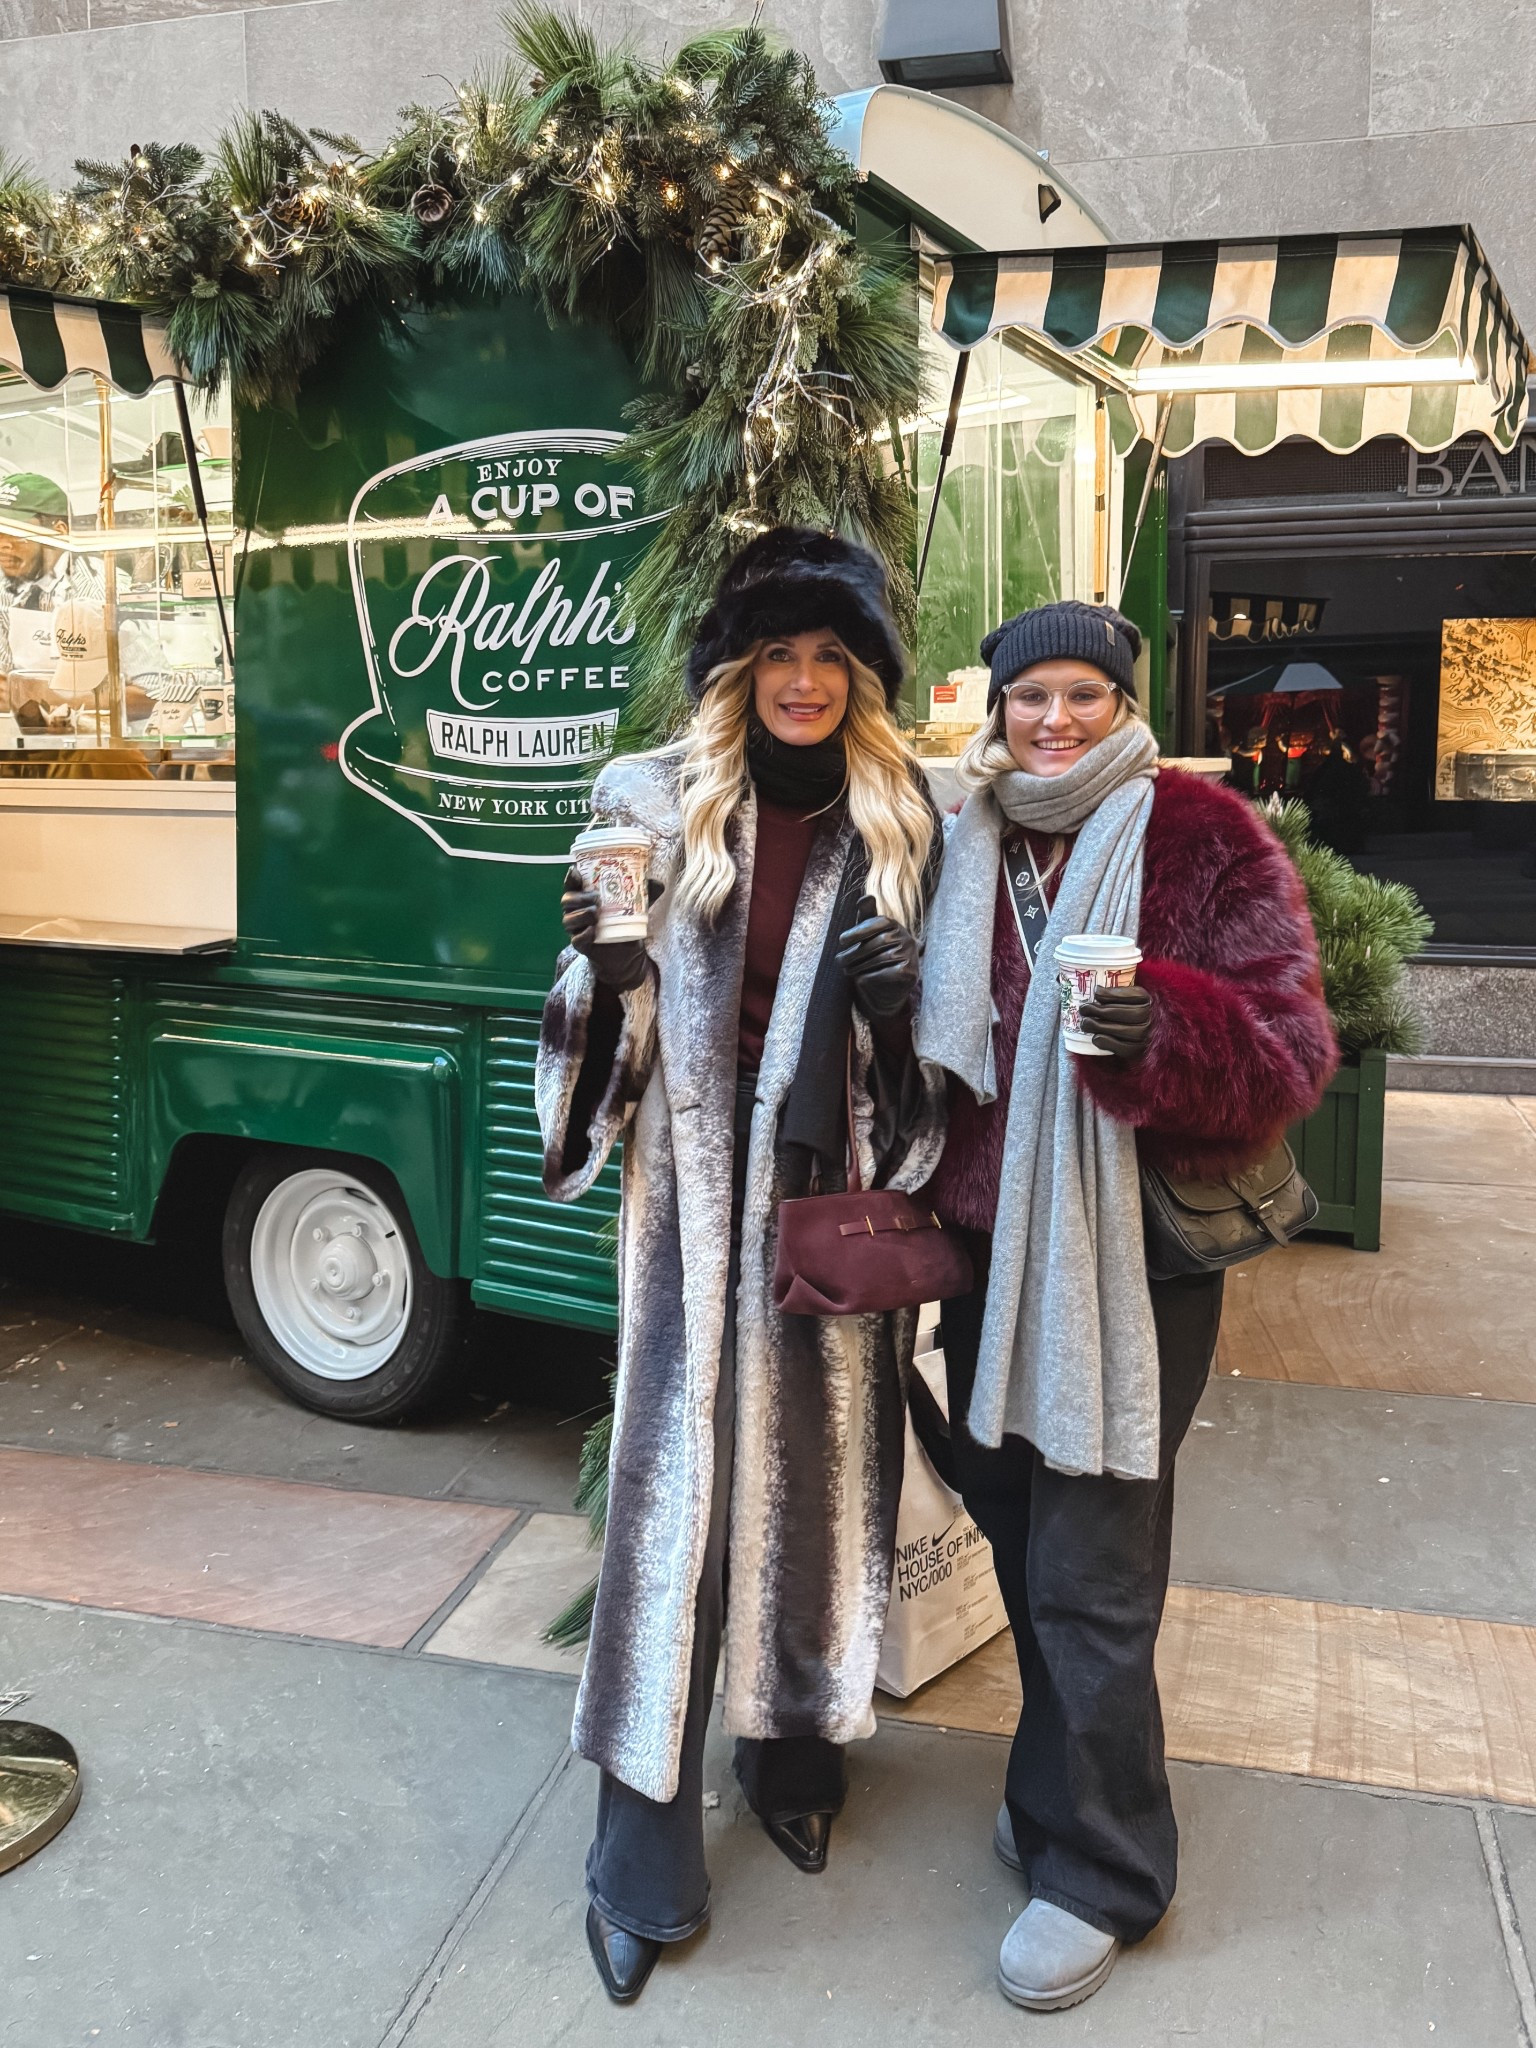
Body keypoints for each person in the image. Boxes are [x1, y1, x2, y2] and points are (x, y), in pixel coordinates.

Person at [537, 527, 944, 2006]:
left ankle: (790, 1751)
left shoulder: (905, 817)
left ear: (864, 677)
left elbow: (933, 1087)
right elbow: (592, 1062)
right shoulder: (642, 802)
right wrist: (615, 974)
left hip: (825, 1216)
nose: (804, 681)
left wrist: (901, 1023)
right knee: (673, 1515)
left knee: (819, 1495)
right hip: (688, 1223)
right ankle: (637, 1849)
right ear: (735, 668)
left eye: (833, 655)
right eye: (778, 652)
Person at [915, 600, 1336, 2013]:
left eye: (1083, 694)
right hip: (982, 1254)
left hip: (1131, 1270)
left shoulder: (1204, 839)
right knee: (1023, 1537)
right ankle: (1057, 1793)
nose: (1053, 721)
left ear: (1124, 701)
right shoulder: (961, 834)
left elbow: (1287, 1050)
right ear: (997, 703)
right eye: (1029, 694)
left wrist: (1167, 1029)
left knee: (1092, 1573)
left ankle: (1107, 1871)